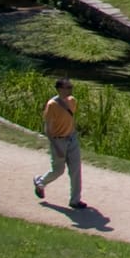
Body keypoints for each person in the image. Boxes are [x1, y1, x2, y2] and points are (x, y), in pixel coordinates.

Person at [32, 77, 87, 210]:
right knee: (58, 170)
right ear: (59, 89)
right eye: (67, 87)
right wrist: (57, 147)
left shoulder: (73, 101)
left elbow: (69, 119)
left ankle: (75, 200)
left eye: (71, 87)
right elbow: (48, 129)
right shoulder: (52, 105)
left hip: (71, 138)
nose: (70, 89)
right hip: (58, 140)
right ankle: (40, 182)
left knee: (75, 170)